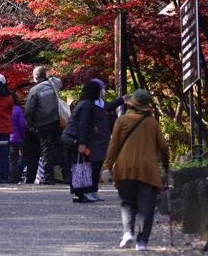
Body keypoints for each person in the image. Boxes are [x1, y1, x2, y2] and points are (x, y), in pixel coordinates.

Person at [102, 89, 170, 251]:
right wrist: (166, 165)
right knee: (146, 207)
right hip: (148, 170)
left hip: (125, 169)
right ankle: (142, 241)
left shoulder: (122, 120)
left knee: (127, 203)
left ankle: (128, 233)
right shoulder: (152, 123)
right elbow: (163, 147)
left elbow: (113, 147)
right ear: (146, 106)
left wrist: (107, 167)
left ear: (131, 104)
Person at [24, 66, 68, 185]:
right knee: (61, 149)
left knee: (45, 150)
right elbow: (58, 80)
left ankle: (49, 178)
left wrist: (30, 123)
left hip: (43, 124)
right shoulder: (54, 84)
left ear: (35, 77)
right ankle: (67, 176)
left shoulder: (35, 90)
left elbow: (28, 110)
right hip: (58, 121)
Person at [62, 79, 104, 202]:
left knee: (79, 165)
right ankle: (82, 193)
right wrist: (82, 142)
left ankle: (81, 193)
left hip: (71, 137)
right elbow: (83, 124)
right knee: (81, 165)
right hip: (77, 139)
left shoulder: (83, 103)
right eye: (99, 90)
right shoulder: (88, 105)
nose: (101, 92)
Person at [9, 94, 26, 183]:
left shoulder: (3, 108)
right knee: (14, 161)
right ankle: (12, 180)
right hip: (15, 138)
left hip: (4, 137)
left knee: (2, 158)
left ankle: (2, 179)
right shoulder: (18, 109)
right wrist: (21, 136)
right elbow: (22, 125)